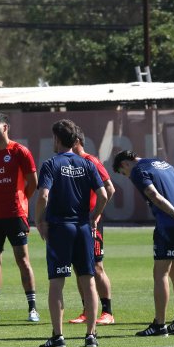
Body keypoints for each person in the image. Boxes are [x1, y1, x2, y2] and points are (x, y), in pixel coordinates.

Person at [113, 150, 174, 337]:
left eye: (123, 173)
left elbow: (154, 196)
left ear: (124, 164)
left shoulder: (138, 171)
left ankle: (159, 325)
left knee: (160, 272)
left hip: (171, 223)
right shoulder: (164, 164)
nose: (127, 176)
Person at [34, 120, 108, 347]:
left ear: (56, 139)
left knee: (57, 282)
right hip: (83, 228)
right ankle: (91, 336)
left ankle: (58, 336)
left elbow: (44, 196)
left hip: (60, 228)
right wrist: (94, 216)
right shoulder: (86, 163)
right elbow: (104, 194)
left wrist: (38, 220)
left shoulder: (50, 164)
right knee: (88, 281)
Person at [0, 113, 39, 321]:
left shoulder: (20, 152)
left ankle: (32, 308)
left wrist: (21, 200)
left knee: (22, 259)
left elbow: (33, 182)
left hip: (15, 215)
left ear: (6, 127)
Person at [68, 127, 116, 326]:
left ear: (77, 141)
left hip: (91, 221)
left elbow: (109, 188)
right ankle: (88, 310)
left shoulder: (91, 161)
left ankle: (107, 312)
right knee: (80, 268)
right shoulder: (69, 163)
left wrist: (96, 214)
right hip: (76, 220)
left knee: (96, 266)